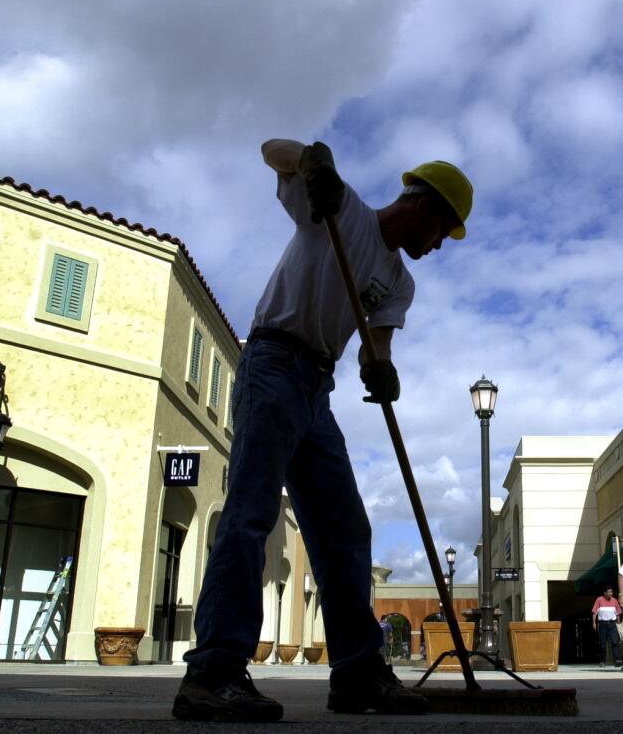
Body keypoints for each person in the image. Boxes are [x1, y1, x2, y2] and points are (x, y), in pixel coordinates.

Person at [173, 140, 473, 723]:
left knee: (346, 531)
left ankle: (358, 676)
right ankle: (212, 672)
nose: (439, 245)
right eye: (443, 230)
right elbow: (271, 151)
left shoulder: (399, 283)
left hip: (317, 389)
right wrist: (314, 164)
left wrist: (383, 372)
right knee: (251, 513)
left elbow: (374, 348)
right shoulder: (339, 210)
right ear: (425, 206)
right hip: (272, 363)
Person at [591, 586, 623, 668]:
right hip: (602, 624)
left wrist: (619, 624)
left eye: (611, 592)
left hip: (612, 624)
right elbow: (594, 612)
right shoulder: (599, 600)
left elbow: (618, 614)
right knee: (602, 644)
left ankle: (617, 660)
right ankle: (602, 661)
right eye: (609, 592)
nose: (611, 594)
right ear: (605, 593)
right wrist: (594, 623)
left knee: (615, 642)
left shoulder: (614, 600)